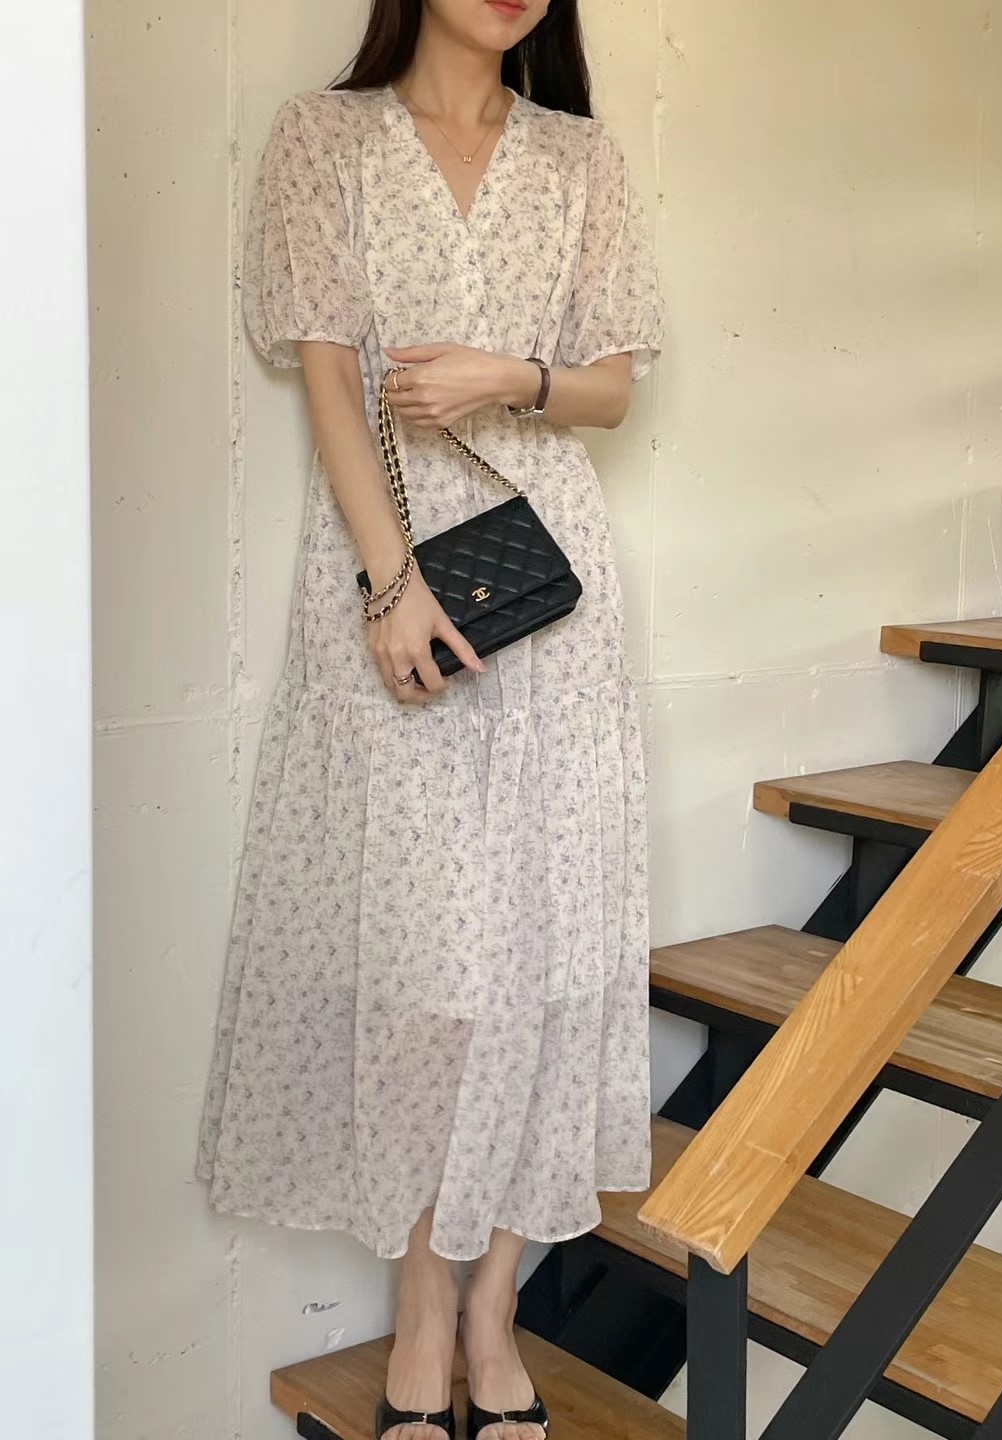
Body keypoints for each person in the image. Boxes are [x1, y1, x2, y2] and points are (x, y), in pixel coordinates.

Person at [195, 0, 663, 1435]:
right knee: (416, 959)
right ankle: (418, 1302)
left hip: (552, 585)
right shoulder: (324, 140)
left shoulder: (581, 158)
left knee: (553, 950)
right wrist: (388, 583)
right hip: (394, 581)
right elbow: (330, 381)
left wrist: (509, 377)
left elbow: (612, 389)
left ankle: (494, 1306)